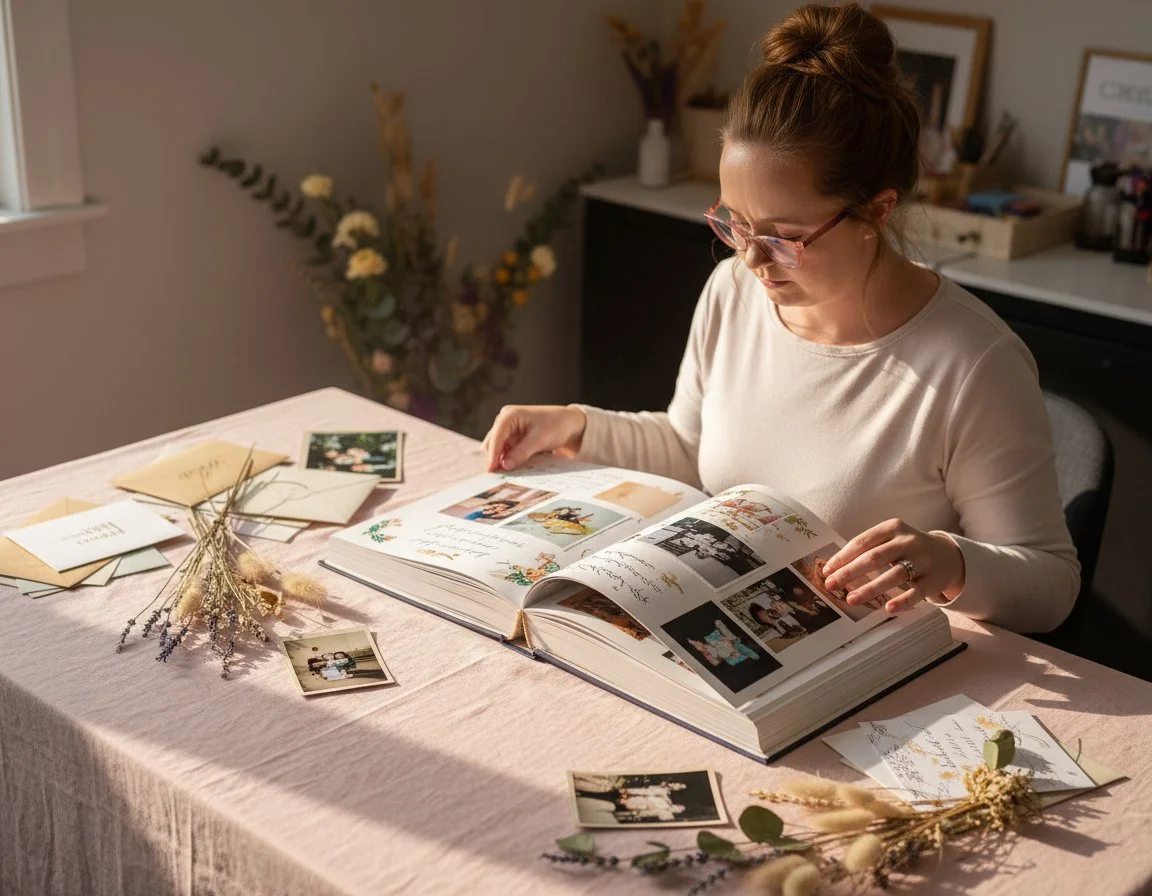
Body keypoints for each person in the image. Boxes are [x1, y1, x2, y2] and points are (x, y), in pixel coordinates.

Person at [481, 3, 1078, 635]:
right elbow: (691, 449)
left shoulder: (969, 363)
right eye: (734, 223)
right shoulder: (734, 292)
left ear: (877, 211)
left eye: (785, 237)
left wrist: (950, 563)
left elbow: (1051, 584)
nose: (751, 258)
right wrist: (573, 426)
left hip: (883, 673)